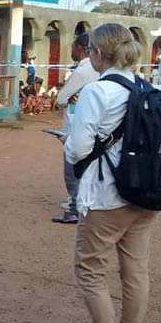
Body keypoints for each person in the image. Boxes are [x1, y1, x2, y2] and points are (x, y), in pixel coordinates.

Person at [64, 22, 155, 323]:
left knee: (90, 269)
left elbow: (80, 149)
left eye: (90, 51)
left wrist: (69, 141)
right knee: (135, 272)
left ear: (100, 54)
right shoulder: (146, 86)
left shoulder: (97, 92)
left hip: (107, 195)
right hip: (144, 194)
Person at [52, 33, 97, 225]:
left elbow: (61, 99)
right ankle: (85, 202)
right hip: (94, 123)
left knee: (72, 164)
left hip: (76, 123)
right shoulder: (99, 68)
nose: (70, 50)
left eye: (72, 46)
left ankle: (75, 207)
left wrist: (69, 97)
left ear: (79, 48)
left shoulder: (81, 71)